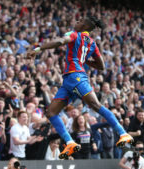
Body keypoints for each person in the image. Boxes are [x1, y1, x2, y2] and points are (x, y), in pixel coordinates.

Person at [27, 15, 133, 159]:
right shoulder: (92, 43)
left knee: (95, 105)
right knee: (51, 112)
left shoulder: (74, 34)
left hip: (75, 77)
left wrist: (38, 49)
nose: (77, 21)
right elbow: (101, 65)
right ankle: (70, 142)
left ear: (84, 26)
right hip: (69, 81)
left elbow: (59, 41)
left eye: (80, 21)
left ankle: (123, 133)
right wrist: (84, 60)